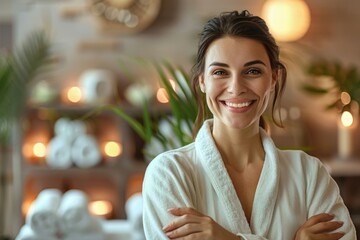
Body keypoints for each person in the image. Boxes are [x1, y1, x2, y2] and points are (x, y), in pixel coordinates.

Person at [142, 10, 357, 239]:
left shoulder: (309, 174)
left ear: (273, 78)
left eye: (252, 71)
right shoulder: (169, 173)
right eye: (220, 72)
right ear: (202, 81)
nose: (236, 87)